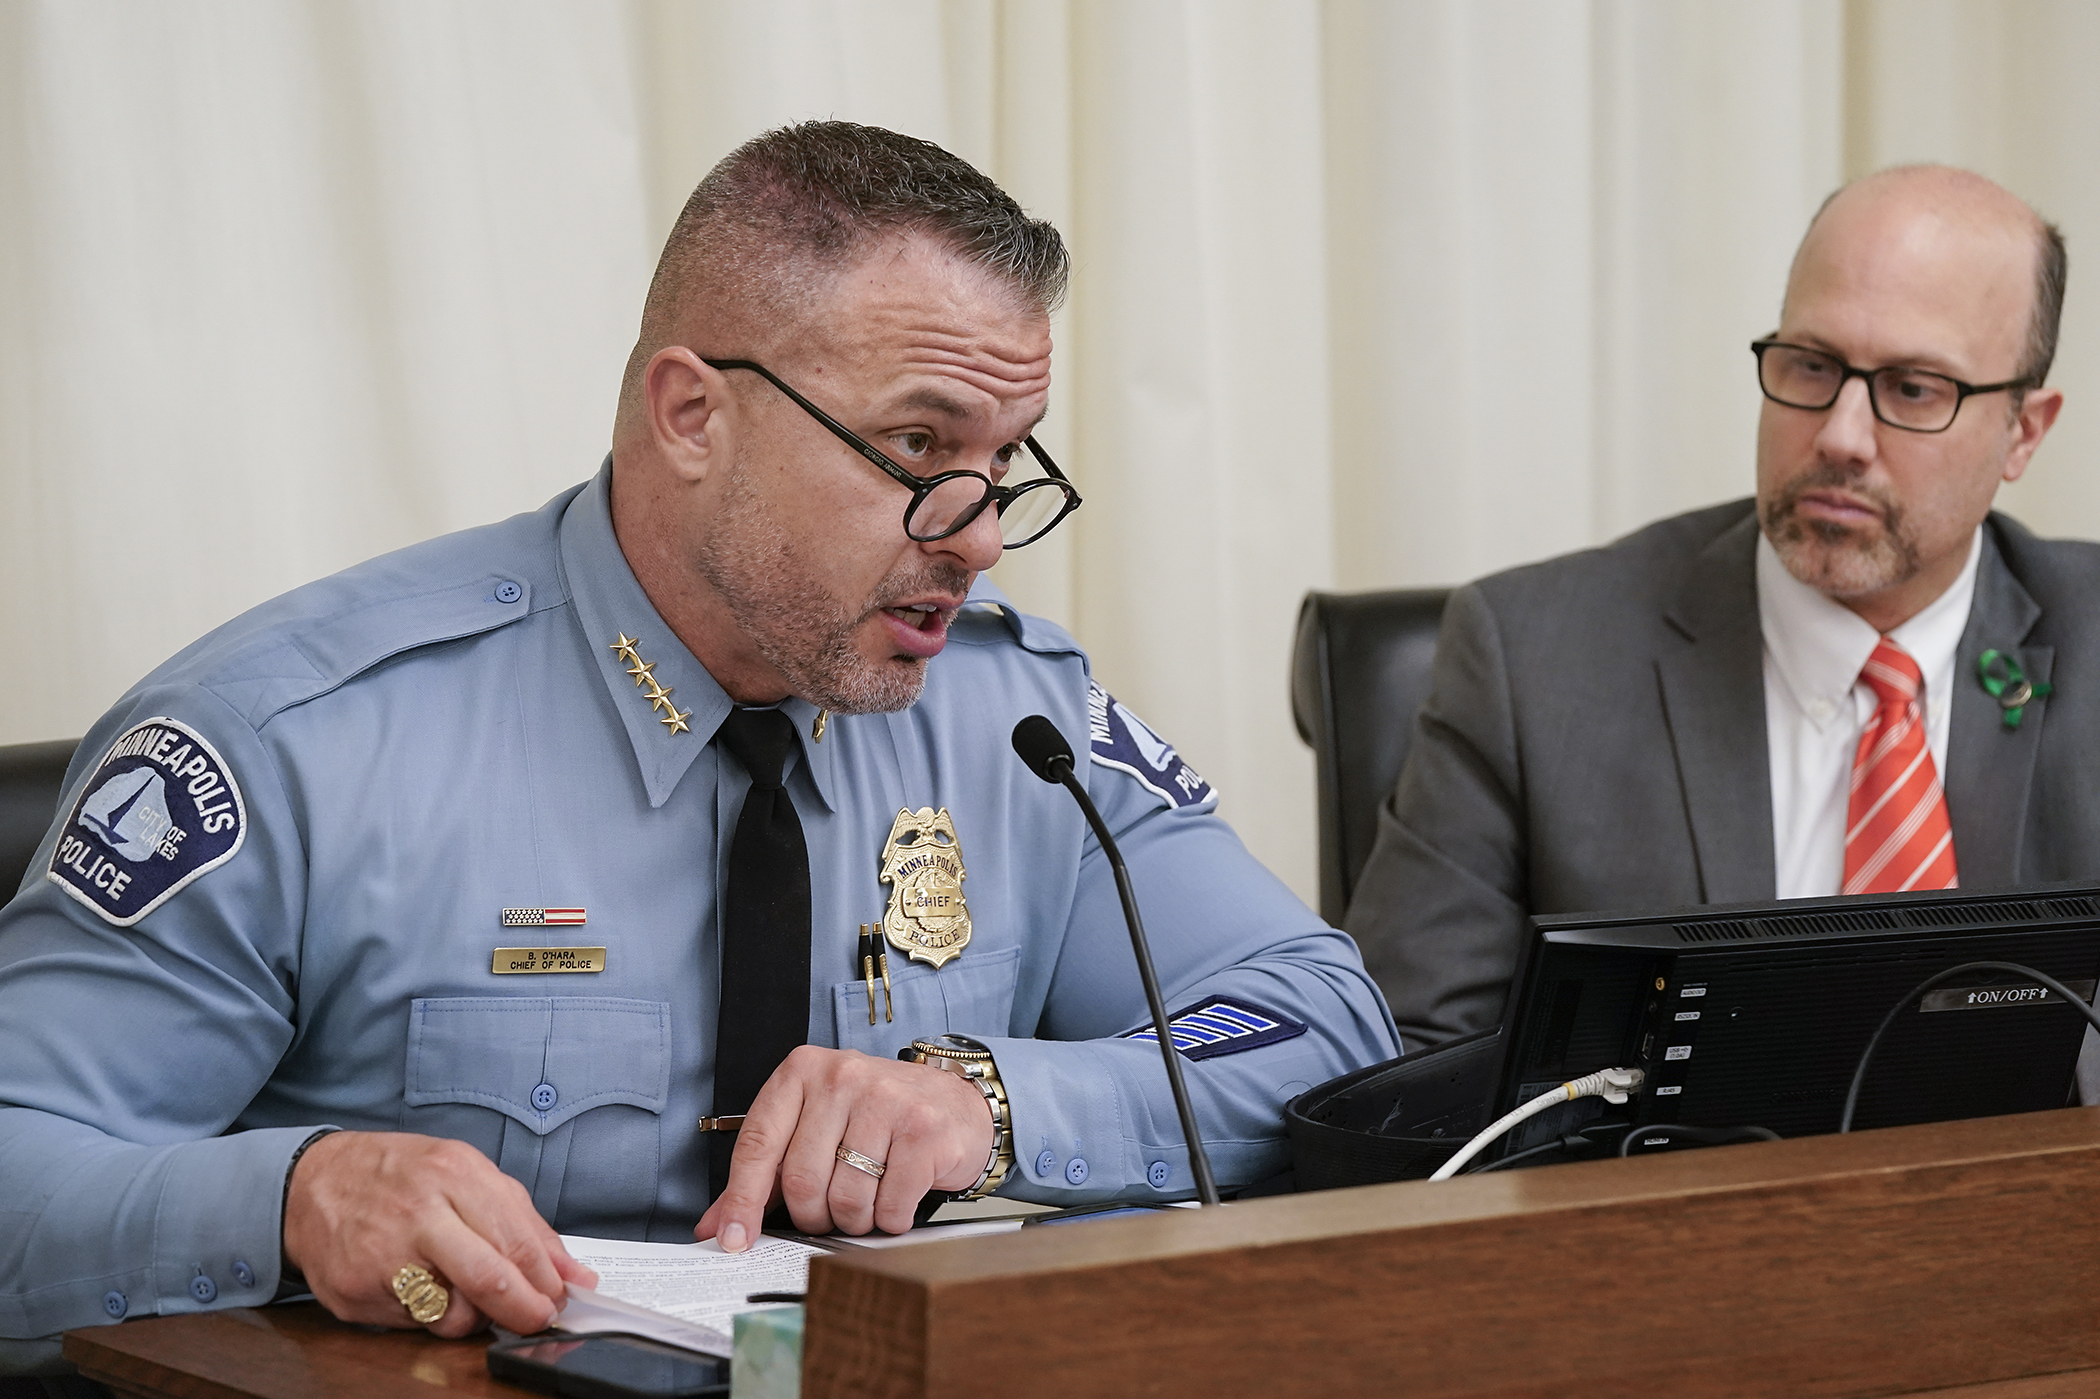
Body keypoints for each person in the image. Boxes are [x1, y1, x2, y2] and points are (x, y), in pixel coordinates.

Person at [0, 121, 1397, 1363]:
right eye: (920, 448)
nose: (976, 534)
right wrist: (296, 1193)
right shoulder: (292, 739)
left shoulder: (1010, 716)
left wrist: (995, 1099)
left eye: (1008, 459)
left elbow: (1317, 1016)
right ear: (692, 415)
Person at [1346, 164, 2095, 1057]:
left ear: (2024, 430)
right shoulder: (1532, 662)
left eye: (1913, 389)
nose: (1840, 436)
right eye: (1812, 366)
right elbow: (1404, 1070)